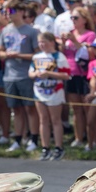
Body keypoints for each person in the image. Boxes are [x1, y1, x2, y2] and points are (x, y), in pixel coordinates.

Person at [0, 0, 40, 152]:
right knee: (16, 110)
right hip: (9, 75)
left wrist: (19, 55)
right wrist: (4, 54)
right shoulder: (6, 30)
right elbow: (0, 50)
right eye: (7, 11)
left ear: (22, 12)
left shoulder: (31, 31)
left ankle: (33, 139)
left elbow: (38, 54)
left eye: (12, 11)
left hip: (26, 75)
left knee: (30, 109)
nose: (8, 14)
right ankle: (17, 139)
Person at [28, 31, 70, 160]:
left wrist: (50, 74)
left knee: (55, 120)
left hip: (55, 92)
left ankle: (58, 147)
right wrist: (35, 74)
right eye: (39, 42)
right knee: (43, 120)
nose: (41, 44)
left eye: (44, 42)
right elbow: (30, 73)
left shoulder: (59, 56)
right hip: (39, 92)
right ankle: (45, 147)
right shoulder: (36, 57)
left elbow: (66, 75)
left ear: (51, 42)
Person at [62, 6, 96, 149]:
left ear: (84, 19)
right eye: (72, 18)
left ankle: (90, 139)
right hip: (71, 73)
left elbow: (90, 55)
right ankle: (78, 137)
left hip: (83, 74)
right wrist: (62, 43)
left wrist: (75, 41)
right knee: (76, 109)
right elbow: (64, 52)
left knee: (87, 110)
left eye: (76, 18)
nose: (73, 20)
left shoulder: (90, 35)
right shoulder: (70, 33)